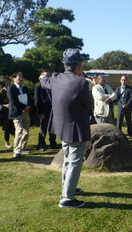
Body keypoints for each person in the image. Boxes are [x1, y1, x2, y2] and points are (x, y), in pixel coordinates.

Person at [41, 48, 94, 208]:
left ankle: (68, 187)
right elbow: (90, 106)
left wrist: (42, 77)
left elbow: (44, 82)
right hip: (76, 127)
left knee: (67, 158)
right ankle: (67, 198)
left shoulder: (55, 78)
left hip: (61, 126)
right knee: (75, 162)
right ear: (79, 65)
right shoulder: (81, 83)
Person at [7, 72, 33, 158]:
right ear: (14, 78)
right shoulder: (11, 88)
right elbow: (13, 101)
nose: (21, 79)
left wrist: (28, 106)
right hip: (17, 112)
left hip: (26, 112)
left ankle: (23, 148)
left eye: (22, 77)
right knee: (19, 130)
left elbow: (29, 97)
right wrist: (23, 107)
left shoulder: (24, 87)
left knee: (26, 130)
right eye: (19, 77)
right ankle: (17, 150)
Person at [35, 70, 57, 151]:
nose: (47, 78)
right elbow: (37, 102)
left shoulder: (52, 88)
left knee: (53, 128)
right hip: (44, 112)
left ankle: (53, 144)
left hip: (53, 111)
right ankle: (41, 145)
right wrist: (40, 113)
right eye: (46, 76)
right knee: (43, 129)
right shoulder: (38, 88)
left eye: (49, 76)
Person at [0, 77, 15, 149]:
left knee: (15, 127)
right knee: (6, 128)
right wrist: (4, 105)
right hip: (5, 113)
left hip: (14, 112)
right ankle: (7, 143)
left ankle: (17, 142)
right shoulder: (1, 92)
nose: (8, 83)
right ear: (3, 83)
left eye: (9, 81)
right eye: (6, 82)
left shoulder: (13, 90)